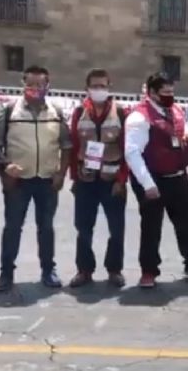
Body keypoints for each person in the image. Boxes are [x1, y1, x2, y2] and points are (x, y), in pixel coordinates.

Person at [125, 72, 188, 288]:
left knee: (186, 223)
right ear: (152, 93)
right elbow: (132, 153)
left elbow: (181, 129)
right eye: (165, 93)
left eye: (171, 92)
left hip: (178, 176)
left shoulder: (175, 110)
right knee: (151, 227)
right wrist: (148, 184)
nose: (169, 96)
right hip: (154, 179)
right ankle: (149, 271)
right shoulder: (139, 117)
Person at [0, 65, 72, 291]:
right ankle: (6, 273)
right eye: (31, 84)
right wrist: (5, 166)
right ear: (23, 84)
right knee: (13, 227)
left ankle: (48, 270)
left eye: (40, 85)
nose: (35, 89)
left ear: (47, 86)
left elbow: (66, 146)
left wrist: (61, 174)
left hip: (48, 180)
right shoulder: (9, 111)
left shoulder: (56, 112)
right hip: (18, 181)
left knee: (46, 227)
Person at [68, 69, 128, 288]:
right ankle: (84, 270)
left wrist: (122, 179)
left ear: (109, 87)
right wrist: (74, 177)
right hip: (86, 179)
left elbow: (127, 149)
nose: (99, 90)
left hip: (113, 180)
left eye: (103, 86)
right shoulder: (78, 113)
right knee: (83, 227)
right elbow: (74, 146)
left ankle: (114, 270)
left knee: (116, 228)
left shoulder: (121, 112)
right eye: (95, 86)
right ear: (87, 89)